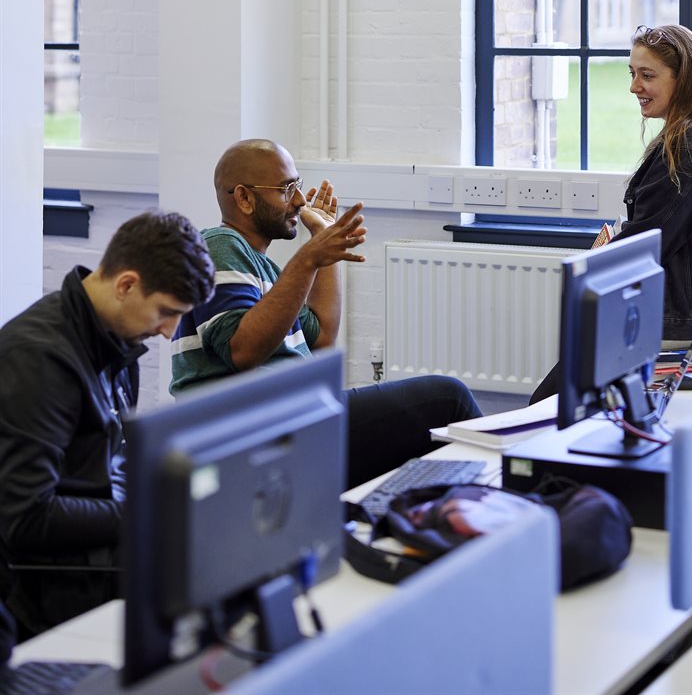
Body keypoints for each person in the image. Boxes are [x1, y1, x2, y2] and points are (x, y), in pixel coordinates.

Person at [171, 139, 482, 488]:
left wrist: (324, 239)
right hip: (255, 430)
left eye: (298, 186)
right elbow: (242, 350)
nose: (301, 201)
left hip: (295, 417)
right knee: (447, 399)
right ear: (244, 198)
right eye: (287, 189)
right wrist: (307, 259)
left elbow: (320, 338)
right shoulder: (220, 246)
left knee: (433, 428)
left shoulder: (270, 273)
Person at [0, 212, 215, 638]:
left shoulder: (115, 339)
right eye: (166, 312)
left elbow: (112, 459)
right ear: (126, 285)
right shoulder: (39, 359)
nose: (169, 332)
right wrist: (145, 510)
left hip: (101, 552)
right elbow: (24, 517)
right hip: (49, 589)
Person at [532, 23, 692, 401]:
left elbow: (643, 248)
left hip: (683, 329)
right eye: (632, 73)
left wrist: (597, 261)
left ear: (685, 81)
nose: (634, 86)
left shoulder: (690, 146)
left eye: (648, 75)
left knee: (547, 404)